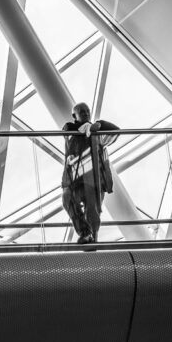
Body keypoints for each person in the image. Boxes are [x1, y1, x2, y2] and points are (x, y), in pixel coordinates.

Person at [61, 102, 119, 244]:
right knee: (67, 197)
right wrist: (81, 128)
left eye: (87, 110)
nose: (86, 113)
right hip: (77, 180)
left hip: (95, 179)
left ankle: (91, 238)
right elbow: (66, 130)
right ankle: (86, 233)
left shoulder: (96, 133)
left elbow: (116, 131)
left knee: (92, 211)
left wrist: (99, 124)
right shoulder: (71, 133)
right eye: (82, 111)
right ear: (74, 115)